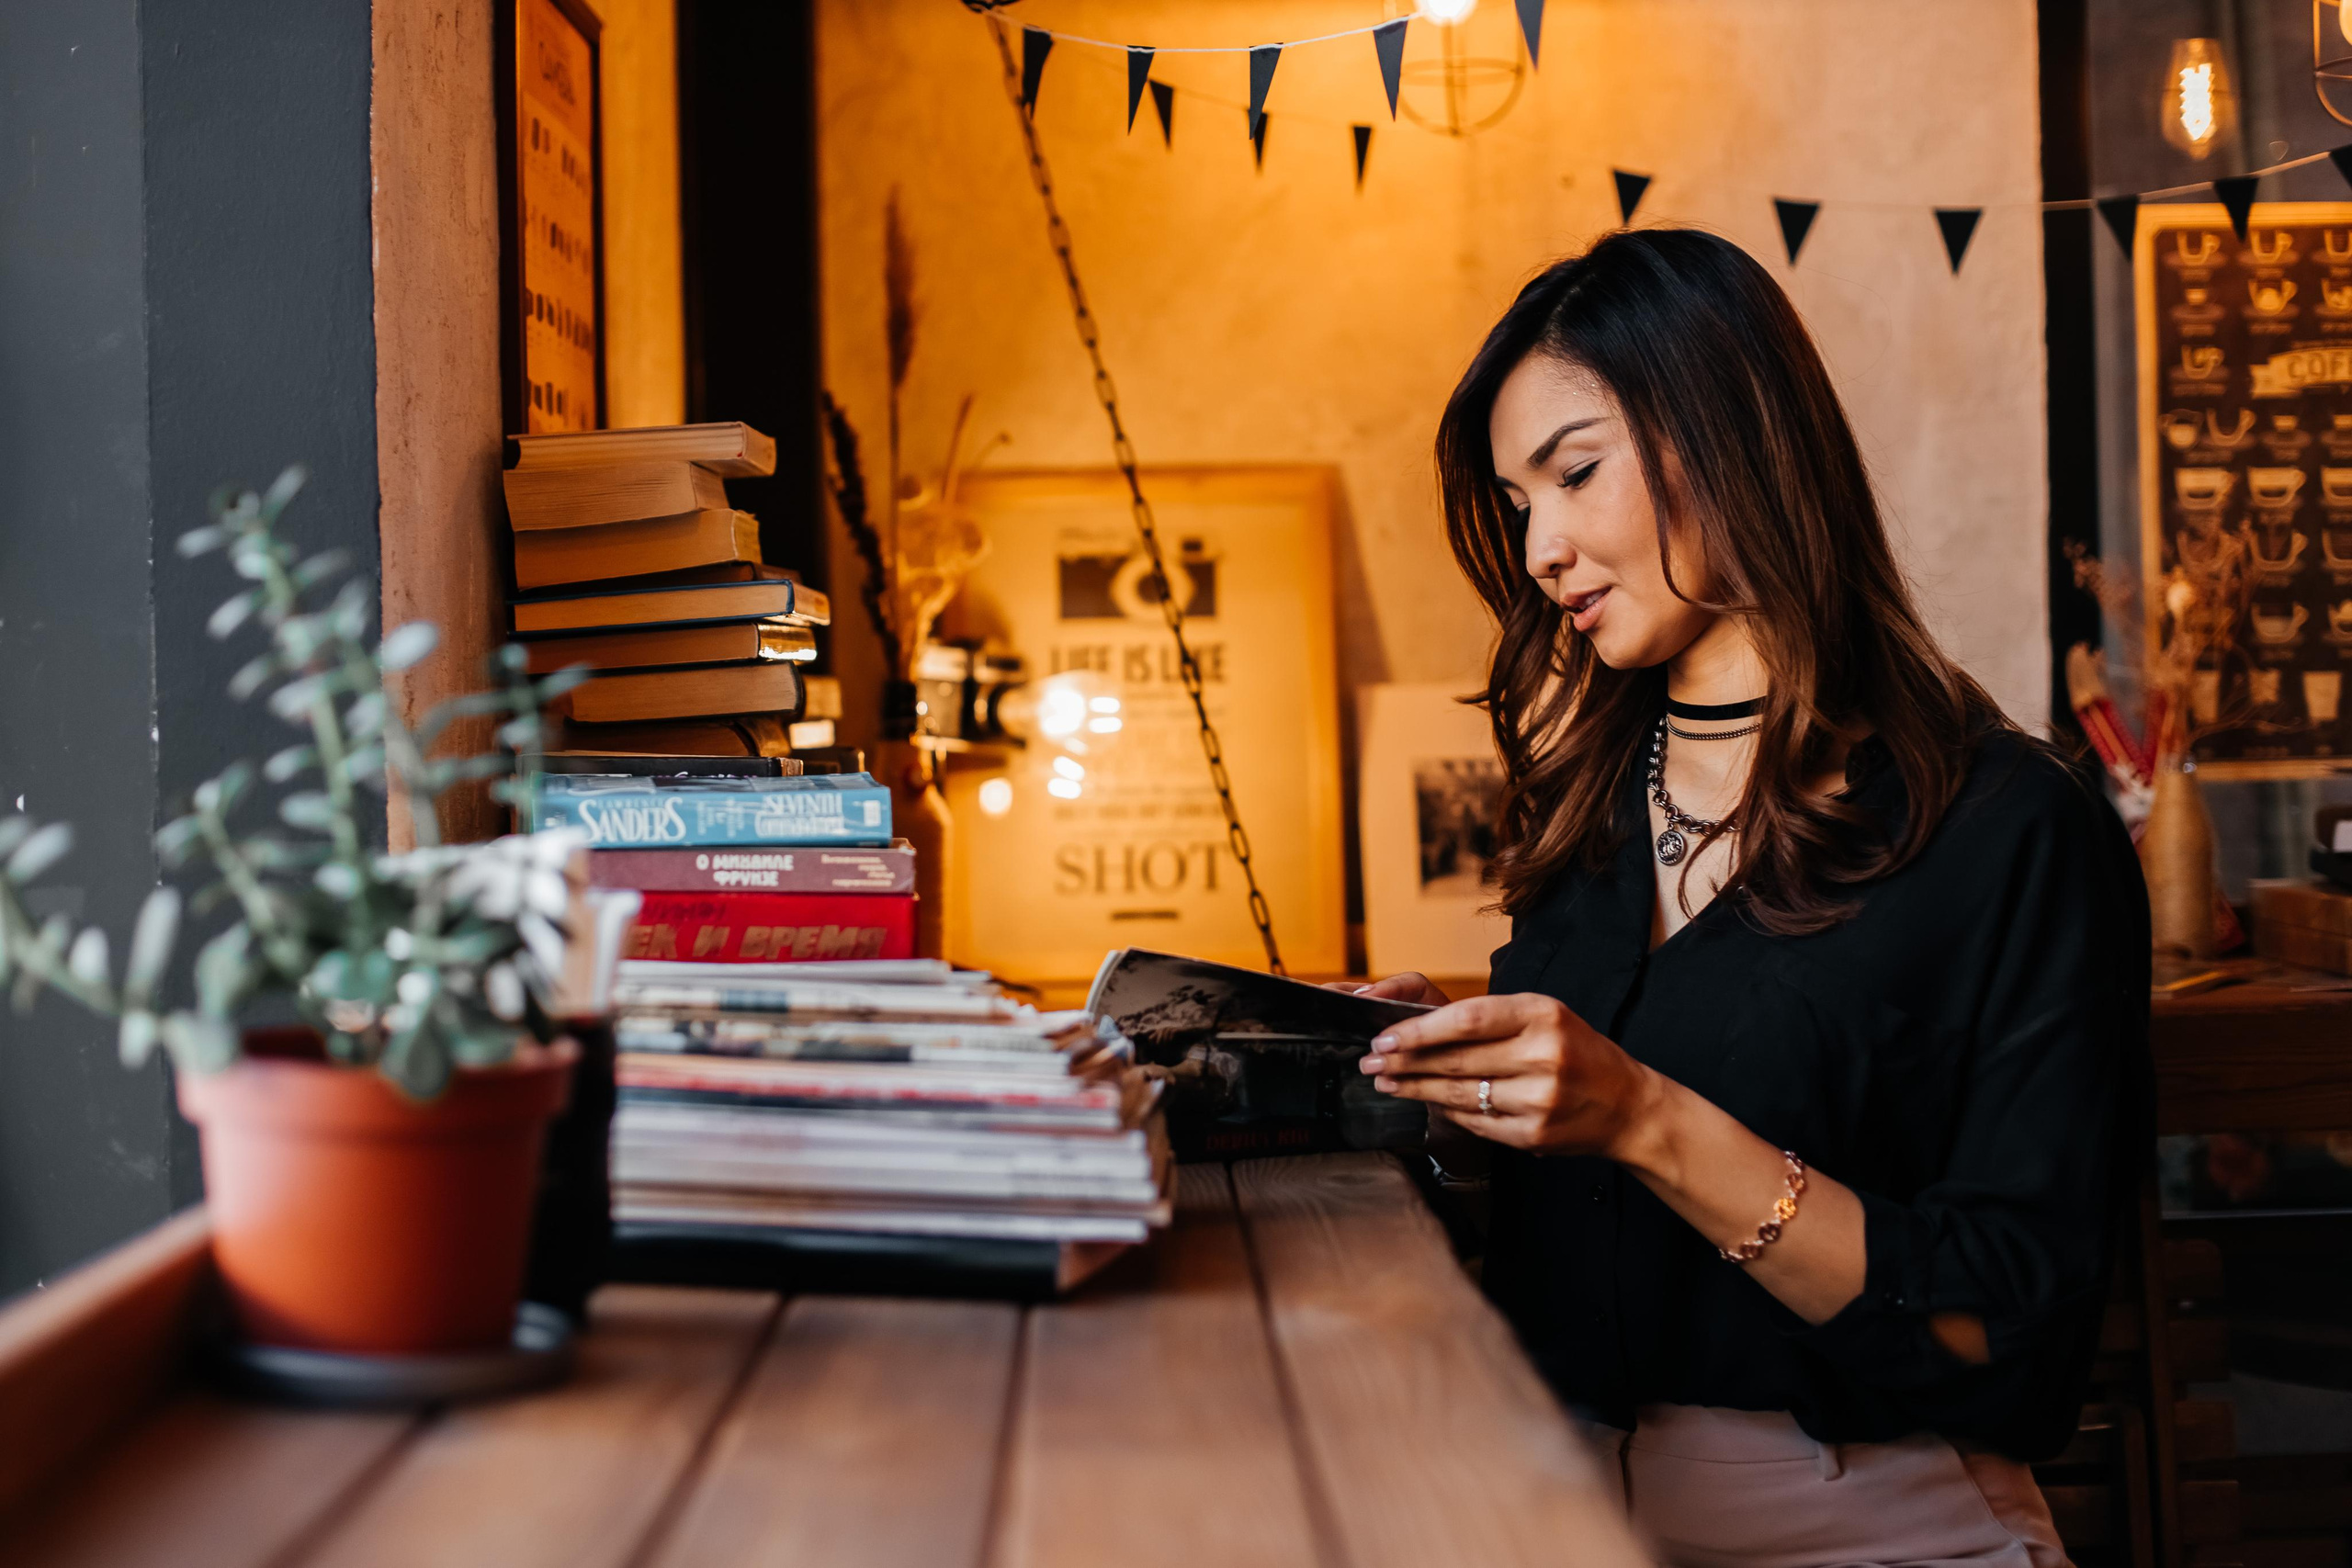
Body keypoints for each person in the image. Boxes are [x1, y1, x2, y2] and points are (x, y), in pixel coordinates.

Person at [1354, 229, 2149, 1566]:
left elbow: (2008, 1342)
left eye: (1576, 471)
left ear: (1729, 429)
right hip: (1544, 1508)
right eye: (1516, 503)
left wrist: (1647, 1119)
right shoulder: (1590, 809)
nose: (1541, 547)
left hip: (1864, 1523)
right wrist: (1444, 1082)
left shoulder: (2010, 830)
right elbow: (1574, 1230)